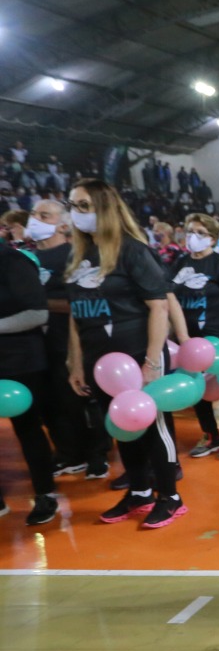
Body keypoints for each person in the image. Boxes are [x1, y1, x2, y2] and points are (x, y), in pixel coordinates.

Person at [64, 179, 185, 528]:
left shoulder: (132, 250)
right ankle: (140, 491)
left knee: (152, 425)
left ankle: (170, 496)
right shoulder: (80, 256)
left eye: (84, 205)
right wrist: (76, 361)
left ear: (105, 208)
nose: (77, 213)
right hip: (100, 362)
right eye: (73, 206)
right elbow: (76, 314)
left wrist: (151, 360)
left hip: (137, 354)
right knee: (122, 425)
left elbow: (158, 308)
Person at [26, 199, 110, 479]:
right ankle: (67, 453)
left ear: (63, 224)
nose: (34, 219)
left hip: (70, 339)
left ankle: (97, 453)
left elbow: (78, 302)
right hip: (36, 345)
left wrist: (38, 305)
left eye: (43, 215)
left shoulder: (74, 256)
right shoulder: (26, 258)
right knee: (49, 402)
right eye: (33, 214)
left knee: (80, 399)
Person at [168, 213, 219, 459]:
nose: (193, 236)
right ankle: (211, 434)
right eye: (190, 231)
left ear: (212, 239)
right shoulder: (179, 263)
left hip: (218, 334)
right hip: (187, 337)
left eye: (200, 233)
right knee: (195, 384)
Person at [0, 239, 60, 525]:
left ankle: (45, 494)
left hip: (20, 360)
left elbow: (37, 313)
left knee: (28, 428)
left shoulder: (14, 261)